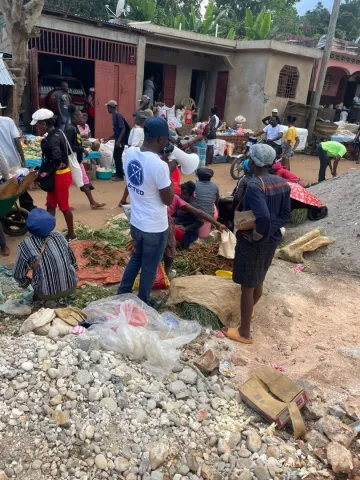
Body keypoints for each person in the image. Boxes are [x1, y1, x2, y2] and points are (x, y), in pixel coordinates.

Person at [224, 144, 290, 344]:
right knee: (259, 277)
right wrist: (268, 232)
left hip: (254, 242)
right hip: (272, 240)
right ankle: (249, 311)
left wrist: (257, 235)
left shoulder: (254, 185)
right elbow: (285, 216)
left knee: (247, 286)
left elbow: (263, 217)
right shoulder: (282, 183)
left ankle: (244, 332)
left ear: (252, 163)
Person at [118, 117, 174, 306]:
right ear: (160, 139)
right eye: (166, 138)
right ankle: (143, 301)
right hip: (154, 227)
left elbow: (143, 176)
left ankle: (123, 291)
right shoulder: (160, 166)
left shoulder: (130, 153)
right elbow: (168, 200)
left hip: (136, 222)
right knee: (150, 265)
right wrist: (169, 173)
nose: (167, 142)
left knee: (137, 256)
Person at [13, 208, 77, 301]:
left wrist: (27, 284)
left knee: (38, 287)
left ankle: (44, 299)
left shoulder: (25, 245)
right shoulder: (59, 236)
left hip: (45, 294)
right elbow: (72, 259)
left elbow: (17, 274)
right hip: (71, 288)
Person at [31, 108, 75, 241]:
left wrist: (57, 163)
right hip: (56, 175)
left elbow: (56, 154)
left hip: (60, 176)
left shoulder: (53, 137)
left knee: (64, 206)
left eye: (38, 124)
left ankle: (72, 234)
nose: (37, 127)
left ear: (44, 123)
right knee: (50, 204)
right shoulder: (57, 133)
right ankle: (47, 232)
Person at [164, 190, 225, 277]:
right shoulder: (174, 198)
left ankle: (161, 272)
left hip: (147, 226)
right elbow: (199, 213)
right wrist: (217, 224)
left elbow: (199, 218)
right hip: (162, 225)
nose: (180, 195)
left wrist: (186, 228)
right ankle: (166, 273)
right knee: (169, 249)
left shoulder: (155, 195)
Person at [65, 105, 105, 210]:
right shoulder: (70, 129)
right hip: (72, 159)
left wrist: (81, 148)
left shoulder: (74, 127)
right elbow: (68, 146)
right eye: (80, 117)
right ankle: (65, 205)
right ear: (74, 117)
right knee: (71, 182)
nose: (82, 119)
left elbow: (75, 143)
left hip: (77, 159)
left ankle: (92, 202)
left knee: (84, 181)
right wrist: (81, 149)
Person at [0, 113, 35, 211]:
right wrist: (22, 158)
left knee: (5, 187)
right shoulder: (8, 121)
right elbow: (16, 140)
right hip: (13, 159)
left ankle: (13, 207)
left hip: (1, 162)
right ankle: (27, 205)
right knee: (19, 185)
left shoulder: (8, 121)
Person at [104, 100, 127, 182]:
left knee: (117, 157)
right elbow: (116, 132)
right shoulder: (114, 116)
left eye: (108, 107)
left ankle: (120, 176)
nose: (107, 109)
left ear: (110, 107)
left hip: (120, 141)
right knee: (115, 156)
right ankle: (118, 173)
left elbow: (123, 129)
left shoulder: (117, 115)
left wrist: (118, 141)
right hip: (118, 140)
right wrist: (108, 139)